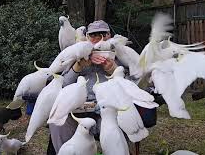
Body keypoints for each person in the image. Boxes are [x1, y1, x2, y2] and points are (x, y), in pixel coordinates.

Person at [47, 20, 157, 154]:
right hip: (77, 110)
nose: (99, 38)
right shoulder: (77, 56)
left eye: (103, 34)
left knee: (114, 129)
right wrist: (78, 67)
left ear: (109, 36)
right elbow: (62, 86)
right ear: (87, 37)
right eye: (94, 35)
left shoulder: (120, 57)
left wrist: (114, 70)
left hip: (108, 112)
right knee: (58, 123)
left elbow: (135, 88)